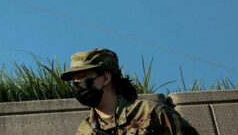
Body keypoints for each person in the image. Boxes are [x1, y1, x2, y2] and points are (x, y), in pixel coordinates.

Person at [61, 49, 198, 135]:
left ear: (106, 78)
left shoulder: (151, 113)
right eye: (74, 81)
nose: (77, 84)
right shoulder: (85, 130)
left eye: (83, 77)